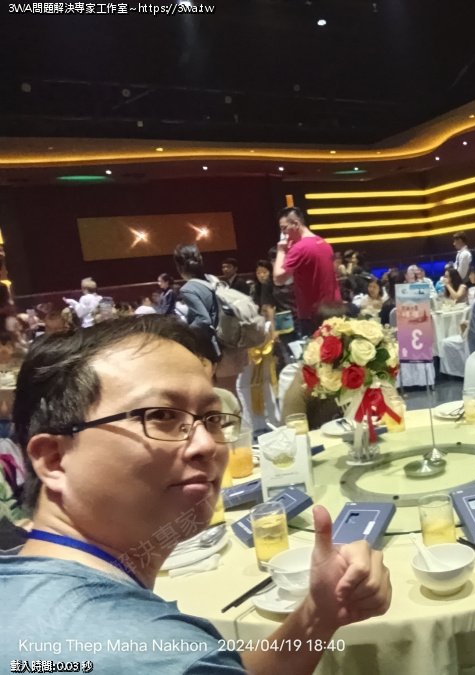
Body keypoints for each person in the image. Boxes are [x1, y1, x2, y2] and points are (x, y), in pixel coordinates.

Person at [3, 316, 391, 673]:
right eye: (160, 416)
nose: (206, 444)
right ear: (54, 459)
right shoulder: (167, 659)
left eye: (212, 418)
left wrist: (318, 614)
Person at [174, 243, 247, 396]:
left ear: (179, 267)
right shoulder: (212, 279)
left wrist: (183, 331)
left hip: (218, 350)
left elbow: (203, 320)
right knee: (231, 393)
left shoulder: (188, 289)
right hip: (233, 342)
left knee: (224, 395)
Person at [273, 207, 341, 336]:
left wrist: (281, 251)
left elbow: (278, 279)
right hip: (333, 309)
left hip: (312, 315)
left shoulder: (299, 248)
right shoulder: (324, 243)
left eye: (284, 228)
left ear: (296, 224)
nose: (283, 234)